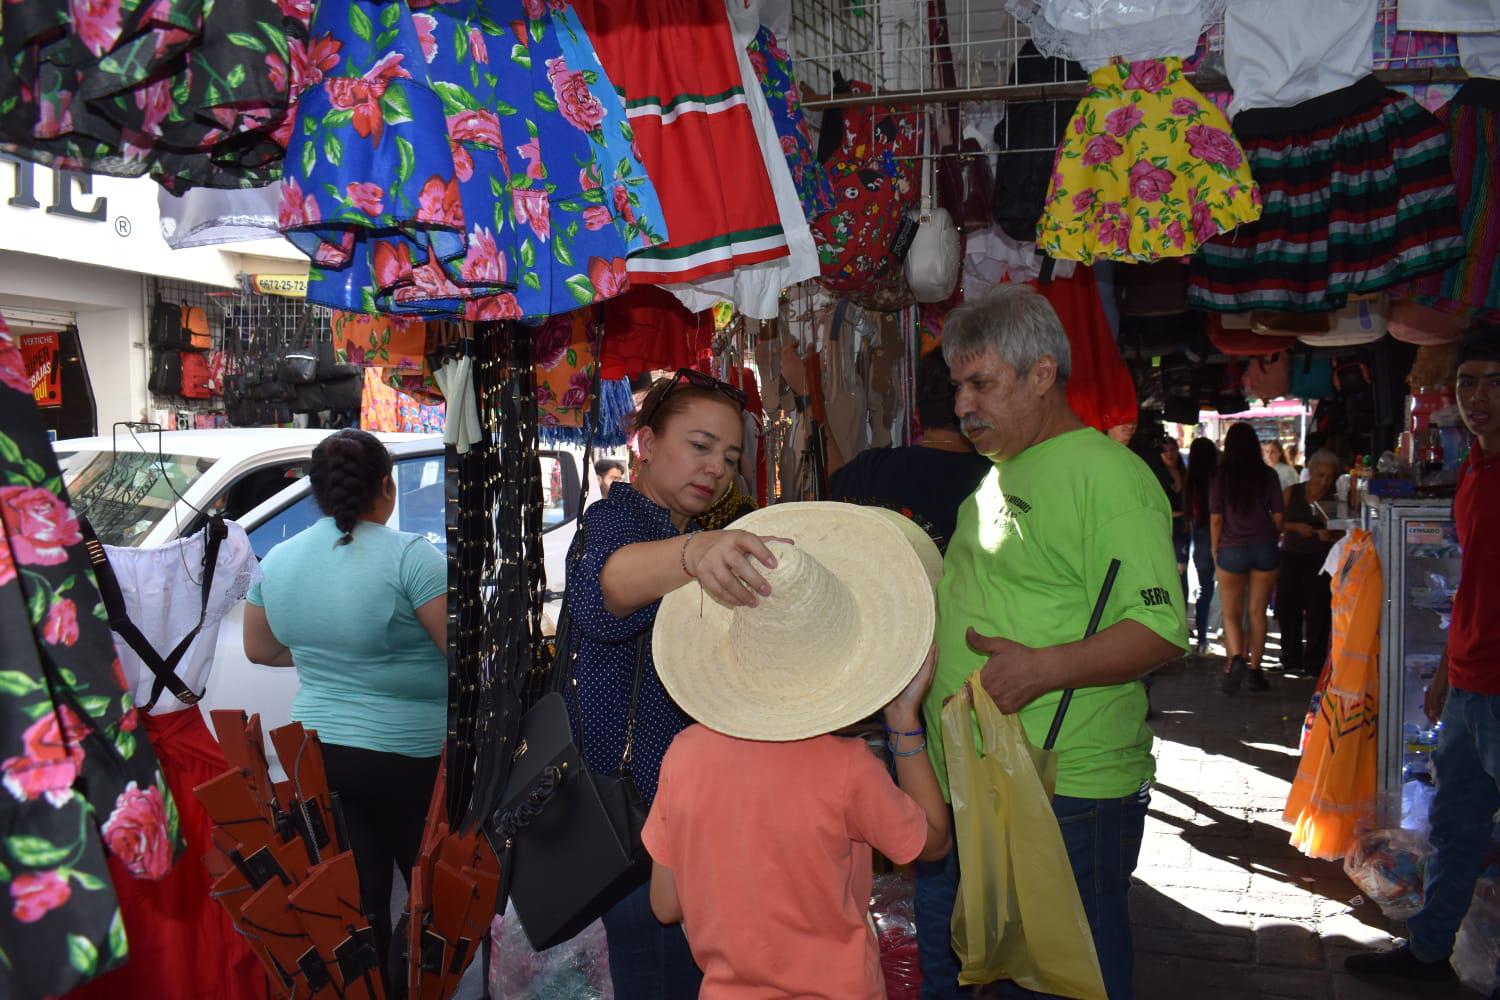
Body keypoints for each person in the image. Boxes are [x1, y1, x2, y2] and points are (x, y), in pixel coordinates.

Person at [924, 284, 1187, 1000]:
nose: (962, 405)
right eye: (957, 387)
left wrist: (1043, 670)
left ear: (1042, 374)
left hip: (1066, 781)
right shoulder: (999, 475)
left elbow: (1162, 625)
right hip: (994, 774)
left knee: (1074, 976)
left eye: (981, 383)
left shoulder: (1108, 477)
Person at [644, 503, 951, 998]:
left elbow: (665, 904)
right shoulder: (848, 769)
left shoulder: (684, 755)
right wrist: (903, 722)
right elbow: (932, 842)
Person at [567, 368, 786, 999]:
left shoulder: (682, 533)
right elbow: (599, 590)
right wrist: (696, 555)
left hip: (685, 817)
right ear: (645, 443)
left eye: (730, 455)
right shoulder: (618, 520)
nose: (716, 467)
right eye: (699, 445)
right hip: (633, 821)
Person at [242, 429, 447, 976]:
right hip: (413, 758)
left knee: (359, 909)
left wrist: (322, 653)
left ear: (318, 491)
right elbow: (460, 653)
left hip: (320, 755)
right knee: (435, 905)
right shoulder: (412, 558)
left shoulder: (277, 560)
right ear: (386, 486)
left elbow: (259, 649)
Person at [1346, 332, 1500, 985]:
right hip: (1468, 685)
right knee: (1454, 826)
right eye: (1467, 383)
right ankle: (1429, 953)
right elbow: (1473, 584)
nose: (1478, 398)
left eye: (1495, 382)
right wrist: (1443, 675)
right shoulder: (1475, 472)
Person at [830, 348, 992, 552]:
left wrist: (810, 401)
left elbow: (828, 487)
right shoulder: (995, 483)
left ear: (915, 412)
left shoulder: (870, 468)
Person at [1212, 422, 1284, 693]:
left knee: (1231, 612)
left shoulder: (1220, 477)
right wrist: (1268, 536)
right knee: (1257, 612)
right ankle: (1255, 672)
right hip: (1265, 548)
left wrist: (1214, 548)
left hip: (1231, 548)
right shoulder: (1268, 476)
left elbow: (1216, 519)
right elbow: (1279, 517)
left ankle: (1236, 659)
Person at [1277, 449, 1344, 675]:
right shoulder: (1292, 493)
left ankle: (1314, 663)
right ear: (1310, 472)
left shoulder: (1335, 498)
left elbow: (1346, 531)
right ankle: (1290, 658)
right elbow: (1276, 524)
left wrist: (1330, 535)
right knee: (1287, 608)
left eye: (1329, 477)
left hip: (1321, 559)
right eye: (1320, 475)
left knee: (1318, 611)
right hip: (1292, 556)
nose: (1324, 481)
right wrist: (1295, 528)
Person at [1185, 437, 1220, 656]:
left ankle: (1202, 639)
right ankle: (1226, 635)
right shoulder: (1218, 477)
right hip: (1220, 534)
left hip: (1200, 535)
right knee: (1227, 588)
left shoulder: (1191, 480)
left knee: (1204, 590)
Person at [1161, 435, 1190, 604]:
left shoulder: (1185, 474)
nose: (1169, 454)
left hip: (1183, 529)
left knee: (1182, 572)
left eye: (1172, 449)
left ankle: (1183, 618)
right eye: (1165, 451)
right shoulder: (1157, 476)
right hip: (1164, 528)